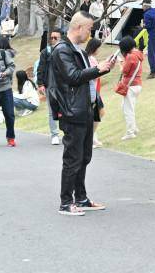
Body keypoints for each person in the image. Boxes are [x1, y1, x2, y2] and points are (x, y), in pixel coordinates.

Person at [47, 12, 117, 216]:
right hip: (72, 110)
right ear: (78, 27)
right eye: (89, 28)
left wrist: (103, 69)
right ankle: (66, 202)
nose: (91, 32)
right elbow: (73, 77)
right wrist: (98, 70)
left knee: (84, 156)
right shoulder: (62, 50)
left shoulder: (76, 50)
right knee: (73, 157)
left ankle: (81, 197)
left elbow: (83, 77)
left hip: (84, 108)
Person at [35, 29, 63, 145]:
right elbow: (40, 69)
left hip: (63, 87)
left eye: (55, 38)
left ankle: (66, 132)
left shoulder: (65, 51)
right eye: (51, 38)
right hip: (50, 86)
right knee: (52, 112)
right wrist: (40, 84)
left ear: (61, 39)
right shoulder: (46, 52)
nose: (53, 40)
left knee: (66, 110)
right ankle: (54, 134)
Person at [116, 35, 144, 140]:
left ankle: (130, 132)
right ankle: (134, 128)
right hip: (137, 84)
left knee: (128, 110)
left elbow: (124, 71)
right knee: (128, 107)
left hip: (130, 86)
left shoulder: (130, 56)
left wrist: (120, 62)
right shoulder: (138, 54)